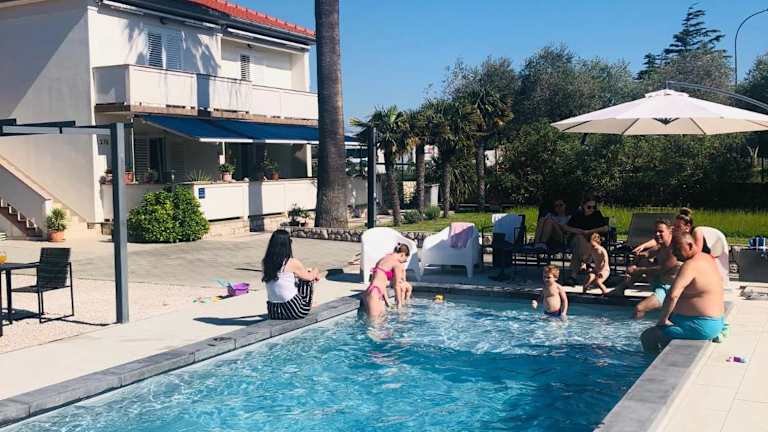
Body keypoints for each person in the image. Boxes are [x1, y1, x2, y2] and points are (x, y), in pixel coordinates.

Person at [640, 232, 725, 353]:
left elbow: (673, 295)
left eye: (677, 249)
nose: (674, 253)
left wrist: (663, 319)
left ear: (690, 245)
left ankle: (651, 361)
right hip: (715, 321)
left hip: (702, 326)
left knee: (648, 336)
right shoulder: (706, 257)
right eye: (672, 249)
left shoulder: (690, 265)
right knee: (666, 330)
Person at [611, 220, 681, 318]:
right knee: (642, 261)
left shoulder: (674, 249)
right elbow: (643, 255)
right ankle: (621, 287)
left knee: (640, 309)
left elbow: (662, 269)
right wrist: (631, 266)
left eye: (661, 231)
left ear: (670, 231)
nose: (657, 234)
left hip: (668, 289)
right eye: (655, 232)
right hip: (658, 281)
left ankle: (634, 327)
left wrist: (637, 270)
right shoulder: (660, 246)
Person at [262, 230, 321, 320]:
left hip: (274, 311)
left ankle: (303, 302)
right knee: (307, 279)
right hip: (294, 310)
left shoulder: (266, 262)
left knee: (301, 275)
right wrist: (316, 270)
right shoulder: (292, 262)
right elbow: (309, 277)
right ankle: (307, 305)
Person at [562, 196, 609, 281]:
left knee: (578, 250)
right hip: (578, 241)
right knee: (579, 238)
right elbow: (566, 227)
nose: (592, 209)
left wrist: (589, 231)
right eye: (589, 207)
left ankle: (573, 275)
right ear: (583, 206)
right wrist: (578, 231)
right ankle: (586, 259)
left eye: (594, 207)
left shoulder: (597, 214)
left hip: (591, 241)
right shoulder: (578, 214)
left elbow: (605, 228)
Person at [359, 244, 411, 319]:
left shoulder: (383, 259)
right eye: (405, 260)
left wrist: (387, 302)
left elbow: (382, 283)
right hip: (375, 293)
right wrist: (399, 304)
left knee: (381, 322)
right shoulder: (396, 263)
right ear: (402, 254)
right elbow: (396, 285)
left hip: (372, 291)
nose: (403, 262)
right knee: (374, 324)